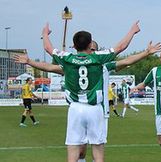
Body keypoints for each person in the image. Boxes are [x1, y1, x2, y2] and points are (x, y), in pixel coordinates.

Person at [14, 38, 161, 162]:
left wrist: (146, 53)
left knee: (94, 149)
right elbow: (50, 67)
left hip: (101, 112)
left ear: (96, 51)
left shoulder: (104, 65)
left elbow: (127, 61)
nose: (92, 52)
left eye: (94, 50)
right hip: (87, 109)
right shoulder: (74, 65)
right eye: (90, 49)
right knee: (82, 149)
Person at [41, 21, 142, 162]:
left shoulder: (67, 58)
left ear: (74, 46)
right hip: (95, 109)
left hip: (75, 109)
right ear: (90, 45)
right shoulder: (98, 58)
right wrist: (132, 31)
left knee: (73, 151)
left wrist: (45, 34)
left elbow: (47, 47)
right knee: (98, 150)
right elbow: (121, 47)